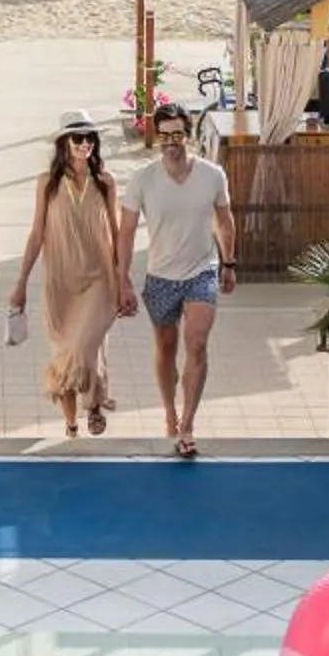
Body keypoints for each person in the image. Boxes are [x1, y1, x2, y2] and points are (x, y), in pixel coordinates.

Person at [117, 102, 236, 459]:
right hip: (160, 277)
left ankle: (187, 425)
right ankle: (169, 410)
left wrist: (228, 263)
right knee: (166, 349)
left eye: (178, 134)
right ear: (157, 138)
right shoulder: (143, 179)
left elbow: (225, 221)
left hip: (201, 272)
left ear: (189, 135)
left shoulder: (213, 175)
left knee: (196, 344)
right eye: (165, 135)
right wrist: (122, 280)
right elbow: (124, 233)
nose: (171, 141)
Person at [10, 115, 120, 439]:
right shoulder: (48, 182)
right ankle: (71, 425)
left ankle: (96, 402)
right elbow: (36, 235)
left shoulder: (106, 181)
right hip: (60, 283)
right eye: (78, 138)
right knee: (65, 354)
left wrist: (124, 278)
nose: (85, 143)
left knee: (86, 347)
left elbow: (116, 233)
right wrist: (20, 283)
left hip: (100, 278)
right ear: (64, 144)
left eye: (90, 138)